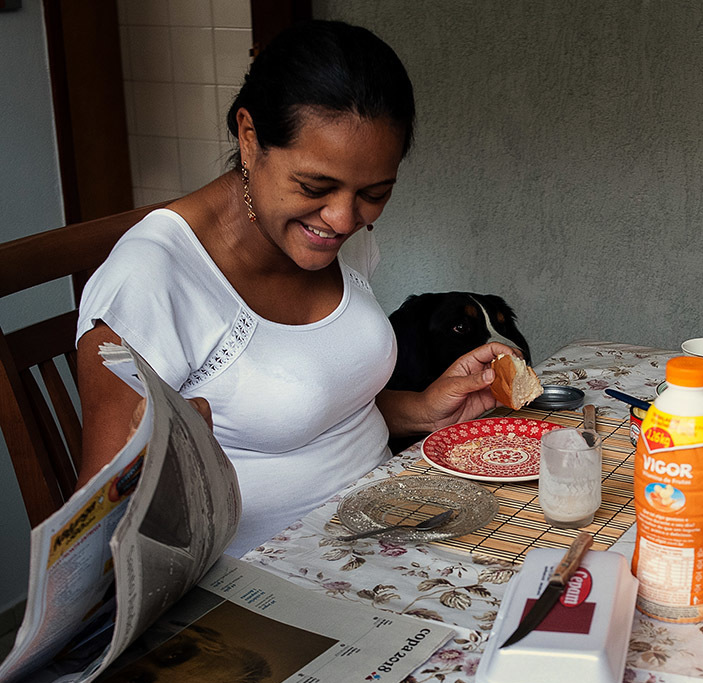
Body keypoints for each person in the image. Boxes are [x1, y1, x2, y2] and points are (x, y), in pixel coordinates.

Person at [75, 21, 514, 555]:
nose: (342, 217)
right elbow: (100, 544)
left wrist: (425, 409)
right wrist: (173, 474)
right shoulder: (152, 278)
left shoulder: (327, 235)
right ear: (249, 136)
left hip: (389, 526)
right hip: (258, 583)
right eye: (314, 187)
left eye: (374, 193)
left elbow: (325, 410)